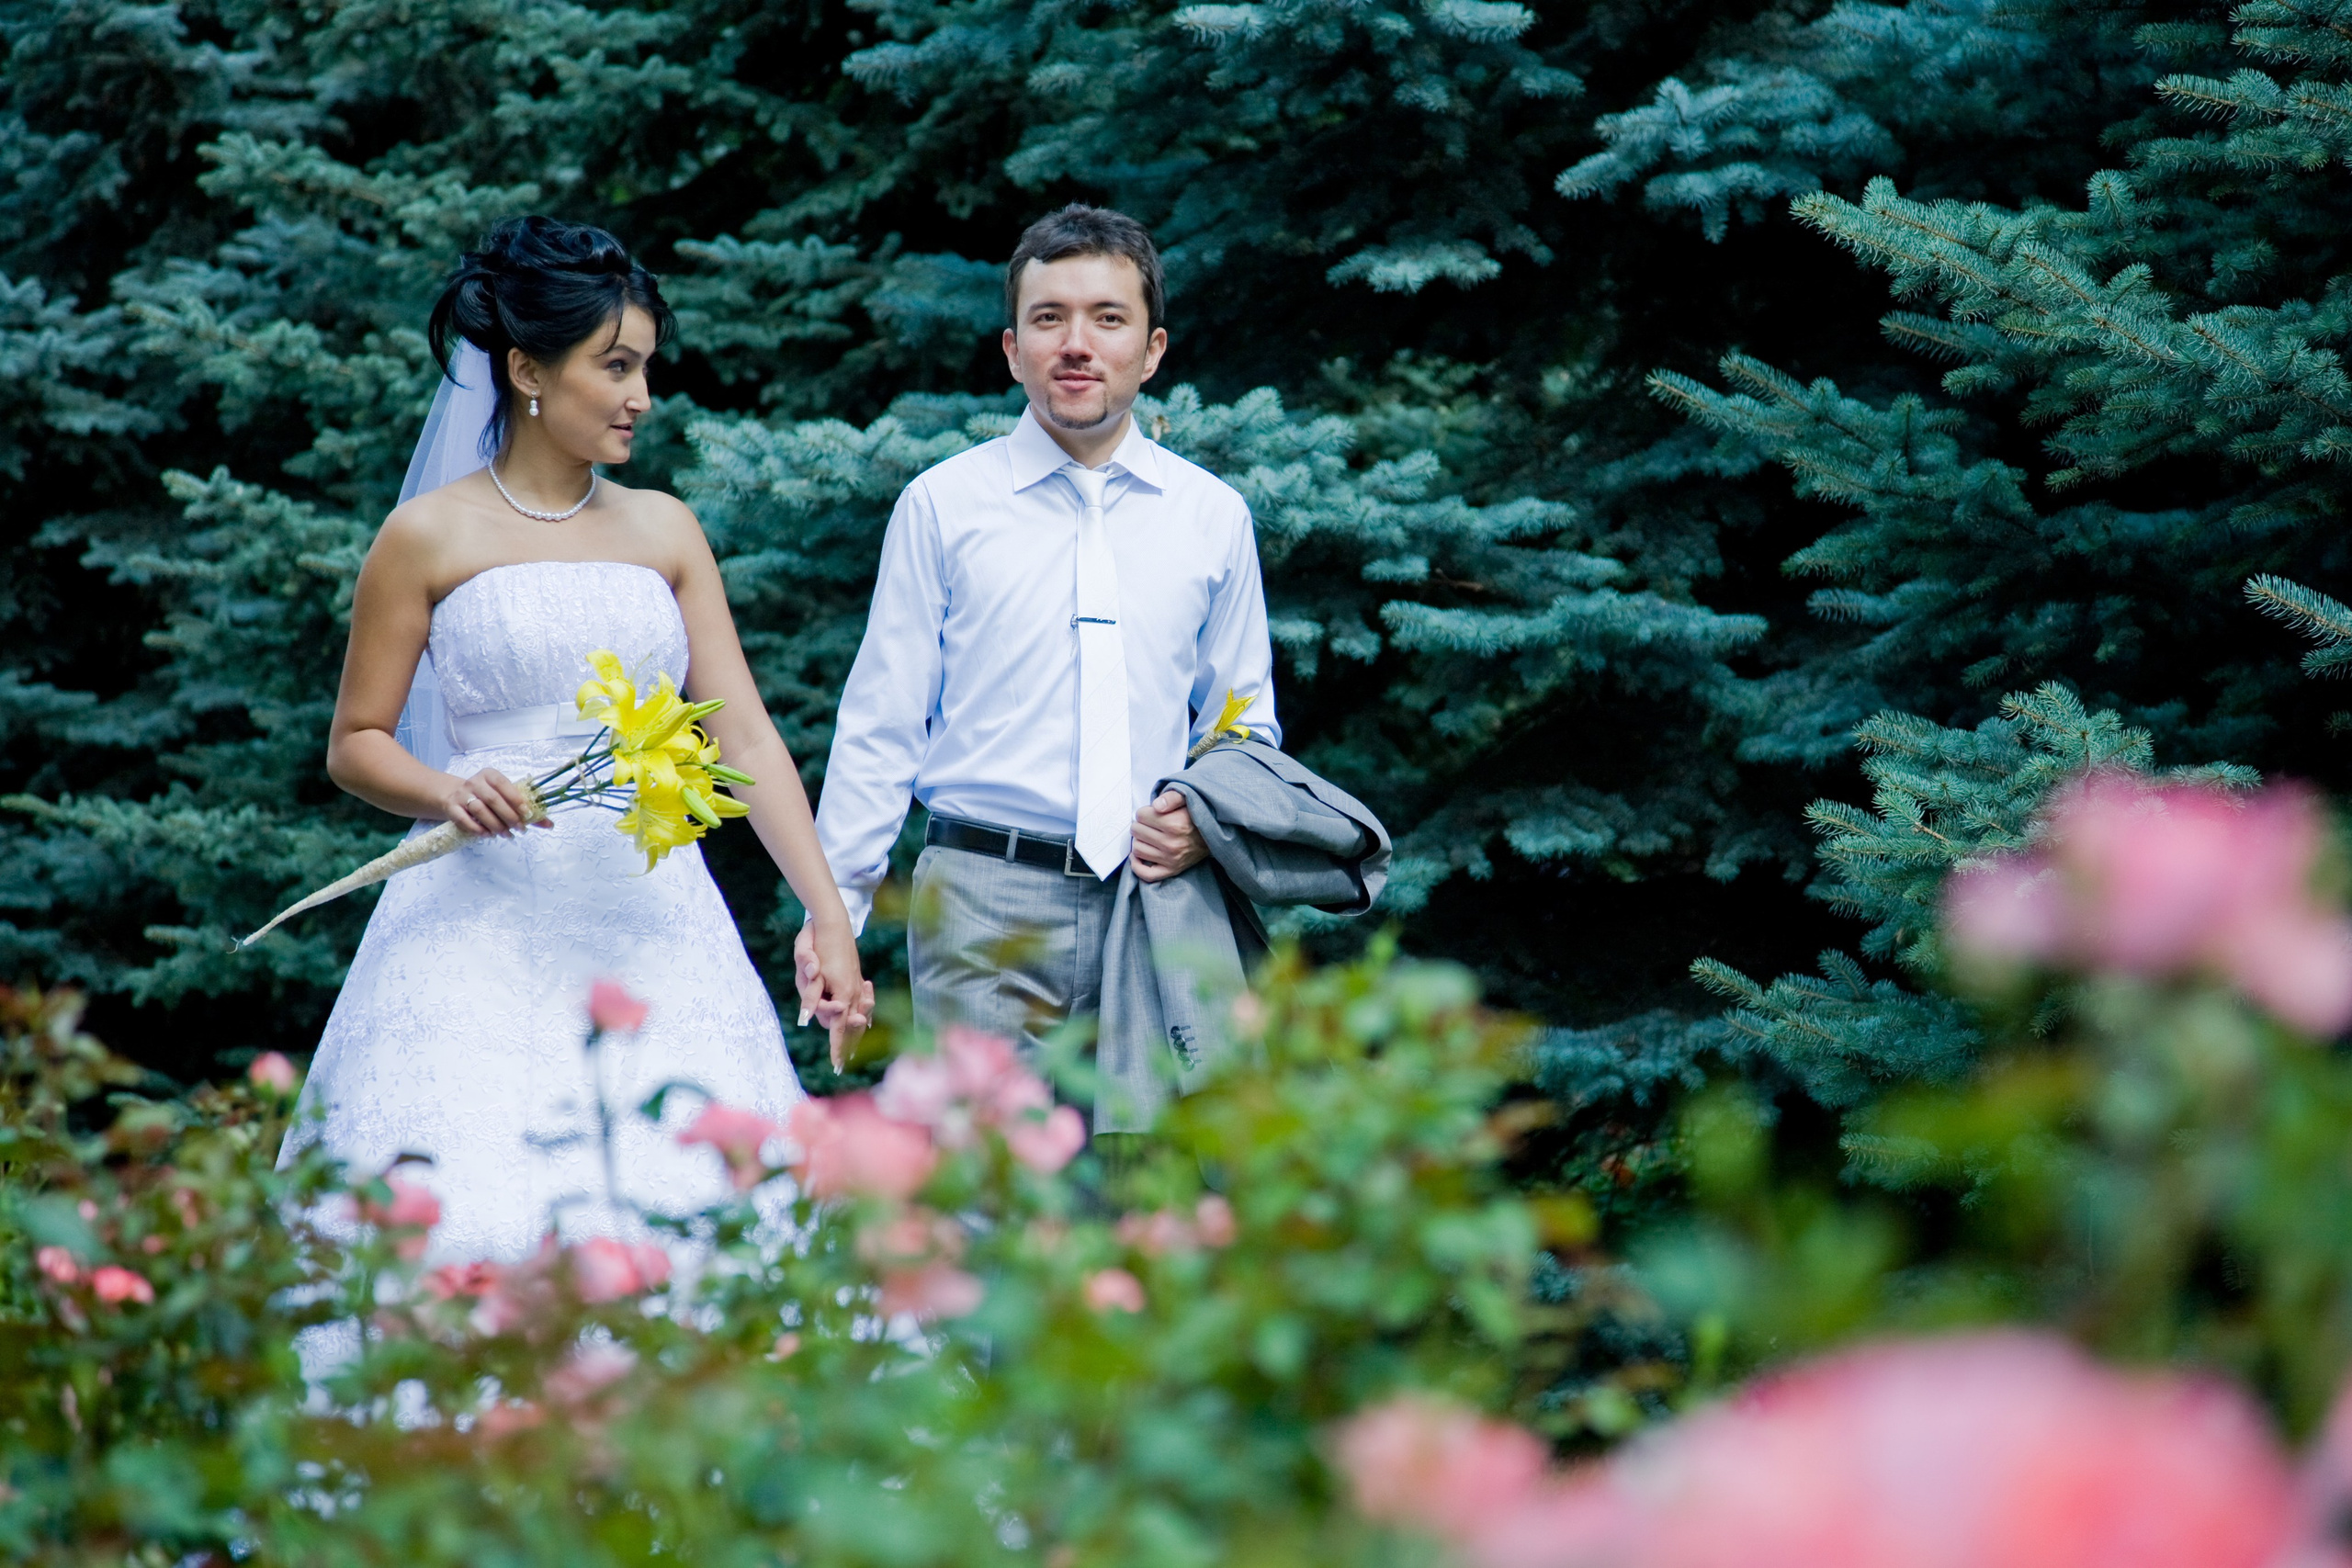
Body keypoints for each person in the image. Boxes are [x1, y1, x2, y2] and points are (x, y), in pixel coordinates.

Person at [283, 217, 871, 1261]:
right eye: (616, 366)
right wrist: (444, 790)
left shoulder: (664, 529)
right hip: (475, 915)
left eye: (645, 366)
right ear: (525, 370)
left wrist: (826, 913)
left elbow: (743, 729)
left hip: (648, 910)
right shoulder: (426, 535)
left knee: (695, 1205)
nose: (641, 394)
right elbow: (356, 741)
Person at [797, 204, 1278, 1081]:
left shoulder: (1213, 517)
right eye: (1048, 318)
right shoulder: (943, 506)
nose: (1077, 343)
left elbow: (1244, 721)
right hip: (982, 902)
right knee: (990, 1190)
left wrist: (1207, 822)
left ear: (1154, 347)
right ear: (1014, 349)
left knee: (1148, 1195)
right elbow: (883, 723)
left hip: (1156, 903)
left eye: (1108, 318)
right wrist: (837, 913)